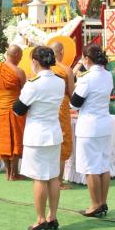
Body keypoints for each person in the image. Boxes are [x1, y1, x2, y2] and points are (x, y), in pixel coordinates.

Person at [13, 46, 64, 230]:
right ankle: (53, 216)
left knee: (39, 179)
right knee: (53, 178)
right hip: (53, 132)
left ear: (34, 62)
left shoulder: (34, 83)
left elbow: (18, 108)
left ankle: (41, 218)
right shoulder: (59, 81)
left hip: (37, 135)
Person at [70, 44, 113, 217]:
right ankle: (102, 202)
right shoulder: (108, 75)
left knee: (91, 167)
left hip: (89, 126)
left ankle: (95, 204)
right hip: (104, 123)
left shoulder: (86, 78)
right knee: (103, 165)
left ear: (87, 59)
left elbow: (75, 103)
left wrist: (77, 74)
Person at [0, 45, 26, 181]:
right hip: (15, 110)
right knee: (15, 140)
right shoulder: (19, 72)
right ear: (16, 55)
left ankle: (7, 172)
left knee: (3, 140)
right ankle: (13, 173)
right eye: (20, 56)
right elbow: (25, 94)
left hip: (0, 110)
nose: (21, 59)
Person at [50, 42, 74, 189]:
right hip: (62, 105)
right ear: (61, 52)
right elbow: (71, 93)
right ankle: (58, 181)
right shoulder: (66, 70)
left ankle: (48, 179)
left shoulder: (42, 70)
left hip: (47, 106)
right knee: (63, 140)